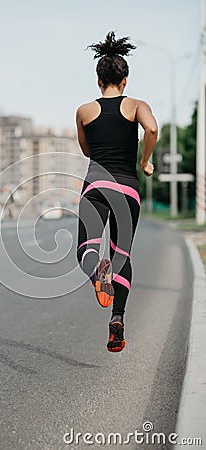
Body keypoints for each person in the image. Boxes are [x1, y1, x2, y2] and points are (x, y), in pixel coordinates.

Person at [76, 31, 158, 352]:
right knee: (121, 253)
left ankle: (98, 270)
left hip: (96, 184)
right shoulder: (137, 105)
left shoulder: (84, 111)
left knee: (85, 247)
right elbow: (151, 128)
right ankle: (118, 318)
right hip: (127, 188)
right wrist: (145, 160)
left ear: (99, 81)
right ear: (124, 80)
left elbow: (86, 151)